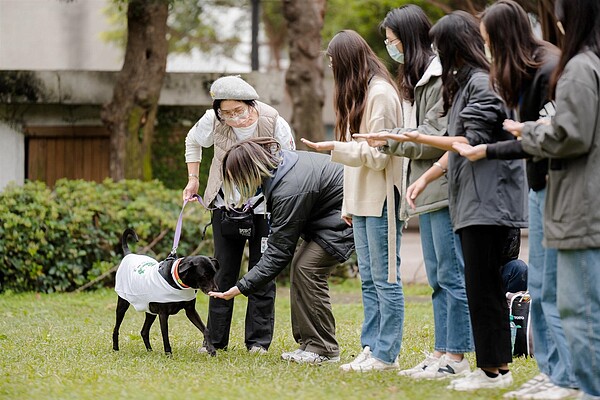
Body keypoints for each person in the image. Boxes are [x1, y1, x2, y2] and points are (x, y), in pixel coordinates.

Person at [390, 11, 528, 391]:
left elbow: (469, 144)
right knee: (479, 286)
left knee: (483, 288)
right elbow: (459, 147)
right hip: (473, 198)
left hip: (488, 200)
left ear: (452, 46)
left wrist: (414, 138)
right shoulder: (469, 82)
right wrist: (426, 177)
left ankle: (491, 370)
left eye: (440, 46)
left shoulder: (481, 84)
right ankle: (495, 369)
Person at [451, 2, 579, 398]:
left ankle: (565, 377)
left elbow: (548, 136)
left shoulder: (548, 67)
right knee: (541, 286)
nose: (486, 49)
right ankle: (549, 373)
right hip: (540, 187)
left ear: (503, 35)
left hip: (558, 190)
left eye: (488, 40)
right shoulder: (525, 69)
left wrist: (488, 150)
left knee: (558, 289)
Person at [354, 4, 473, 380]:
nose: (391, 48)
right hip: (426, 190)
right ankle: (441, 352)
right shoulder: (421, 80)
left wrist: (392, 141)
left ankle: (456, 357)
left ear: (411, 39)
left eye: (393, 41)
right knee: (439, 276)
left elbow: (436, 141)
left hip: (445, 188)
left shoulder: (440, 78)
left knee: (451, 277)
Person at [501, 0, 600, 397]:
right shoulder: (590, 63)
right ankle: (566, 379)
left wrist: (531, 132)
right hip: (581, 202)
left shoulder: (577, 69)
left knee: (579, 310)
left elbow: (572, 135)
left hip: (577, 203)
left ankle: (582, 386)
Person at [301, 29, 405, 372]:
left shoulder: (380, 95)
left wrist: (335, 148)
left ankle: (385, 355)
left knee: (385, 280)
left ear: (345, 59)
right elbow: (357, 164)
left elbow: (378, 156)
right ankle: (371, 348)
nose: (330, 66)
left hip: (381, 202)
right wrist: (347, 205)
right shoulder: (359, 94)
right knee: (369, 281)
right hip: (360, 203)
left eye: (332, 59)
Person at [208, 137, 354, 364]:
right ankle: (310, 344)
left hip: (347, 217)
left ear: (250, 170)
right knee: (301, 268)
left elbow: (278, 252)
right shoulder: (280, 168)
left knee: (308, 269)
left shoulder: (288, 189)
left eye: (237, 179)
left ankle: (323, 349)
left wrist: (240, 287)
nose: (238, 186)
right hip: (331, 217)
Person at [183, 75, 295, 354]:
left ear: (251, 104)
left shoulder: (273, 121)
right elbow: (192, 140)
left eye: (239, 111)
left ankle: (257, 342)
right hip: (225, 208)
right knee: (221, 274)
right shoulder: (213, 120)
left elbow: (293, 160)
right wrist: (193, 178)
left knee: (262, 274)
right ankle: (215, 340)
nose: (234, 118)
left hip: (265, 210)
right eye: (227, 113)